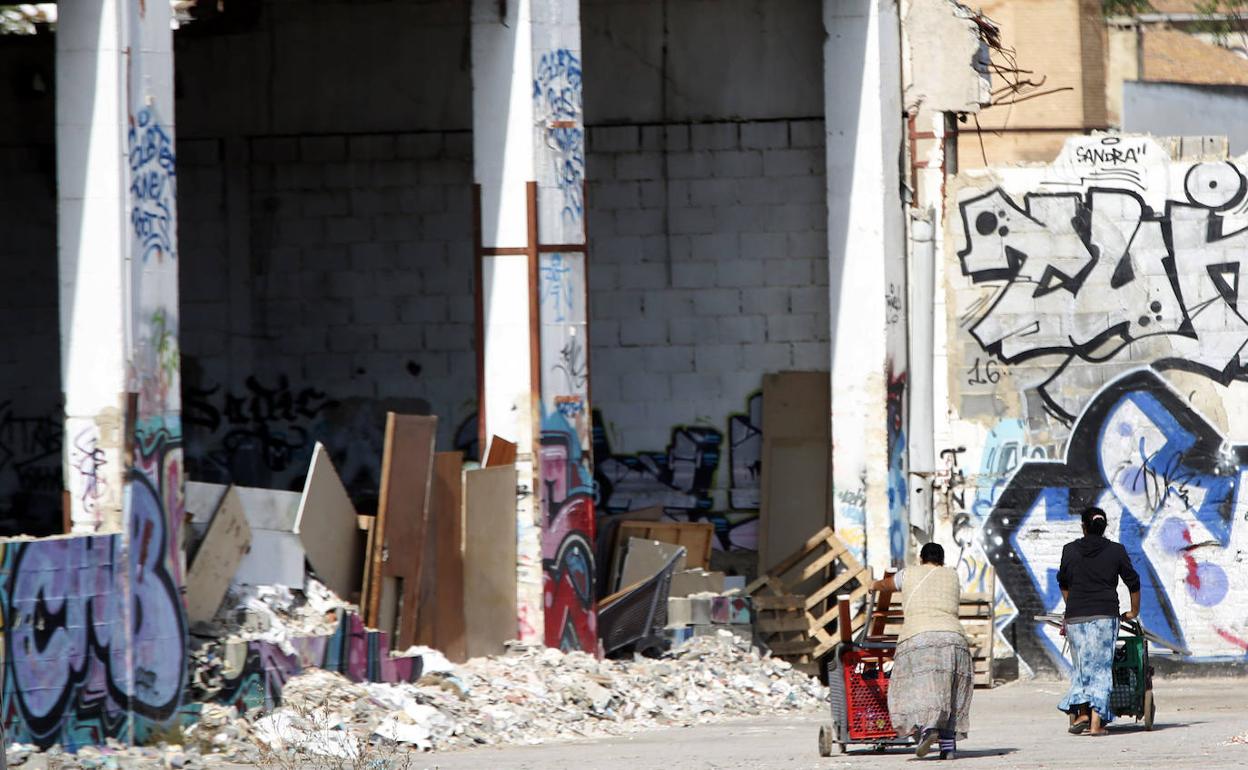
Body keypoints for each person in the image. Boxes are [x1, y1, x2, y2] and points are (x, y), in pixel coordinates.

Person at [871, 543, 973, 760]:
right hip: (954, 639)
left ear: (920, 558)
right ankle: (947, 748)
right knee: (950, 692)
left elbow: (886, 585)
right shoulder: (952, 575)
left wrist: (873, 584)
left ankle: (928, 730)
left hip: (919, 638)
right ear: (942, 560)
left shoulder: (909, 573)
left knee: (919, 688)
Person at [1057, 506, 1141, 736]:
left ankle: (1082, 713)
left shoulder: (1069, 550)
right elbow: (1133, 582)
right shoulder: (1116, 550)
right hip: (1105, 616)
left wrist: (1071, 605)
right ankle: (1096, 724)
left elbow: (1063, 583)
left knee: (1082, 667)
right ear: (1104, 527)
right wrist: (1133, 611)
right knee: (1102, 668)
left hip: (1076, 617)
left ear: (1083, 526)